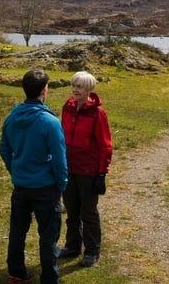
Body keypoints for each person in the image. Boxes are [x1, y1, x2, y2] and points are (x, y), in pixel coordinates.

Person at [0, 69, 68, 284]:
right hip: (46, 188)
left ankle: (16, 273)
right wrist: (61, 184)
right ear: (44, 90)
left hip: (21, 187)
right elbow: (59, 159)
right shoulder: (50, 122)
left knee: (17, 231)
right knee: (48, 236)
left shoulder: (12, 117)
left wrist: (16, 171)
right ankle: (49, 278)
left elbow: (5, 149)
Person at [57, 71, 113, 268]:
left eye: (79, 86)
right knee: (72, 210)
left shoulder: (98, 113)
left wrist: (101, 173)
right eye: (73, 85)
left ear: (88, 89)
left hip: (88, 171)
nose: (75, 89)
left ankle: (92, 251)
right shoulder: (67, 108)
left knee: (88, 212)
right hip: (68, 168)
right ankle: (72, 246)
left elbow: (105, 146)